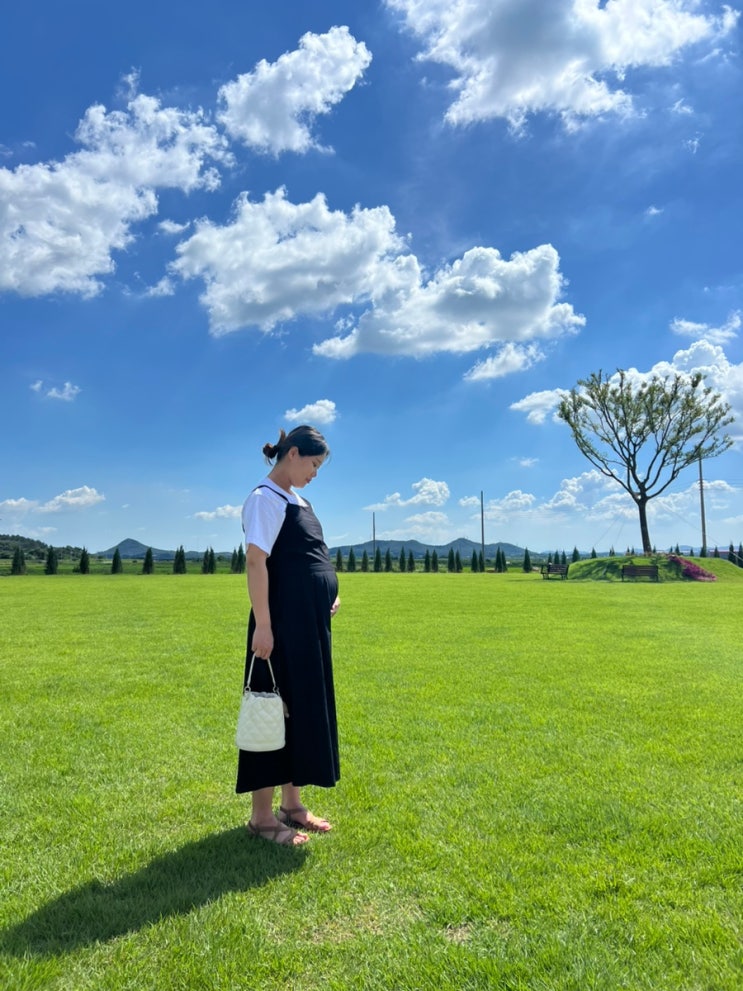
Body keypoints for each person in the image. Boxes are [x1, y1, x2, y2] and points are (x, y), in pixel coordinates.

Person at [236, 424, 341, 846]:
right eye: (313, 464)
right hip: (279, 623)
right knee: (272, 709)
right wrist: (264, 625)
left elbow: (312, 555)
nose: (314, 474)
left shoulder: (299, 499)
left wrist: (330, 592)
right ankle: (262, 818)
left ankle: (292, 805)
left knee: (300, 708)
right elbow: (256, 561)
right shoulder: (264, 498)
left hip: (308, 623)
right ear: (292, 453)